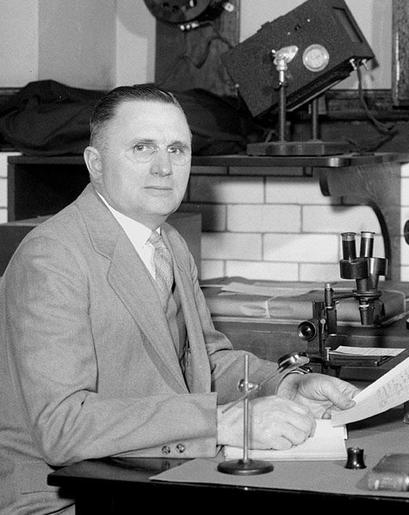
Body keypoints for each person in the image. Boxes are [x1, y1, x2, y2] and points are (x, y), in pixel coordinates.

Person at [0, 85, 359, 514]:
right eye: (142, 148)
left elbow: (205, 360)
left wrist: (284, 385)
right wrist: (222, 421)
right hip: (64, 500)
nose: (163, 167)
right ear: (95, 164)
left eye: (177, 149)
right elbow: (63, 426)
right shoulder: (53, 255)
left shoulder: (167, 241)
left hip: (147, 477)